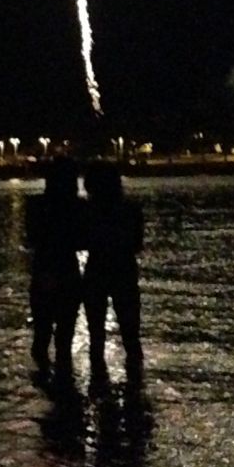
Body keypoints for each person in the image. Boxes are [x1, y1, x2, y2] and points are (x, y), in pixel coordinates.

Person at [82, 161, 144, 381]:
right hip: (124, 269)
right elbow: (137, 244)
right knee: (131, 335)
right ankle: (135, 385)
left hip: (96, 270)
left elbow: (81, 240)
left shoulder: (87, 211)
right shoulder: (130, 210)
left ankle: (97, 384)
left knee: (96, 336)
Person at [25, 158, 84, 377]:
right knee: (64, 336)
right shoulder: (77, 206)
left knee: (42, 333)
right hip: (67, 269)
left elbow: (32, 238)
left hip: (44, 268)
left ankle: (43, 379)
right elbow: (82, 239)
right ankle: (64, 381)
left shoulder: (36, 205)